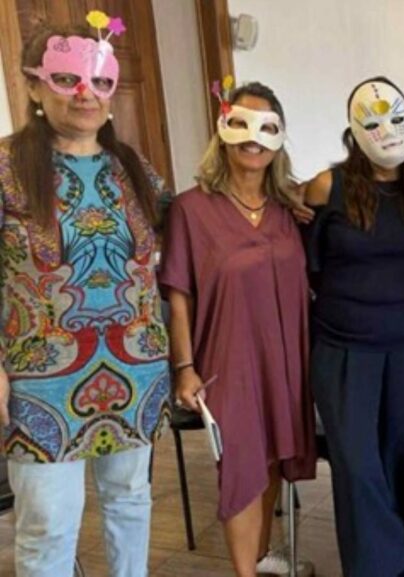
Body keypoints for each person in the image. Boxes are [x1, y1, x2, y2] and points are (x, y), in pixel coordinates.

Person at [0, 20, 170, 577]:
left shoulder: (135, 169)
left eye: (99, 82)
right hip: (39, 379)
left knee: (130, 502)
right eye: (66, 78)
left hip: (134, 370)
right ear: (32, 86)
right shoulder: (5, 170)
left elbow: (190, 240)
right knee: (48, 522)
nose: (84, 94)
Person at [160, 81, 317, 577]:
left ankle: (264, 556)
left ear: (278, 138)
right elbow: (179, 293)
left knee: (271, 459)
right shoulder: (191, 208)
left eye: (267, 126)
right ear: (224, 130)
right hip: (226, 359)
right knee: (242, 468)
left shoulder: (289, 212)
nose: (254, 138)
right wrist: (185, 367)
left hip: (285, 357)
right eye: (243, 123)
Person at [303, 77, 404, 577]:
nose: (386, 131)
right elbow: (303, 259)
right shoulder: (327, 186)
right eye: (373, 121)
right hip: (343, 349)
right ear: (354, 130)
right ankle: (382, 568)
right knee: (358, 469)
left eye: (396, 118)